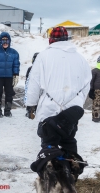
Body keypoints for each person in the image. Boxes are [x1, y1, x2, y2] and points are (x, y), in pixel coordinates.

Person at [25, 26, 91, 154]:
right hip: (72, 111)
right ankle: (71, 169)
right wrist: (77, 101)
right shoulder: (81, 58)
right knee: (69, 140)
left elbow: (34, 83)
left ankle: (50, 169)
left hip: (49, 109)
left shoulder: (43, 56)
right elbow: (86, 84)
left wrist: (31, 105)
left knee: (49, 144)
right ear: (67, 39)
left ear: (51, 40)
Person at [0, 32, 20, 118]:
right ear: (0, 41)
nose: (5, 42)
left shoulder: (14, 53)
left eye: (7, 40)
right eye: (3, 40)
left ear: (9, 41)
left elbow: (16, 64)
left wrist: (16, 74)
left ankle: (7, 110)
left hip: (9, 76)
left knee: (9, 93)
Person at [25, 52, 39, 117]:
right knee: (30, 97)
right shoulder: (30, 69)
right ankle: (29, 110)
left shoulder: (43, 69)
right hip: (31, 87)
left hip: (39, 87)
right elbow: (27, 79)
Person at [89, 56, 100, 122]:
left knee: (96, 104)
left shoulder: (94, 71)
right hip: (97, 90)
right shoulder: (95, 71)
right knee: (97, 104)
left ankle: (96, 117)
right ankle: (96, 118)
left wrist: (91, 89)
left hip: (96, 90)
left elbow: (91, 81)